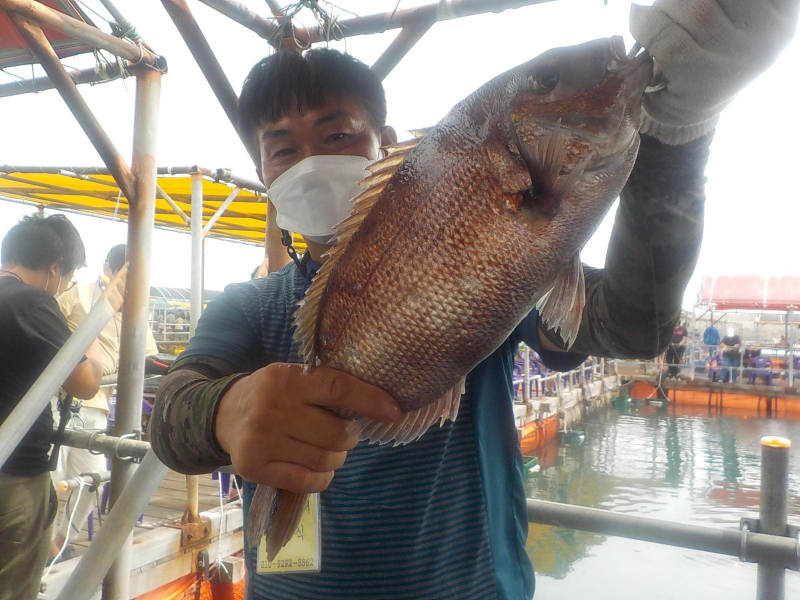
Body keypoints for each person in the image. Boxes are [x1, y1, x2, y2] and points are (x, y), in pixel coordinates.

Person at [149, 2, 799, 598]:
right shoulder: (250, 307)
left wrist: (677, 136)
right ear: (263, 173)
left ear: (385, 144)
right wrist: (224, 412)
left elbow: (632, 326)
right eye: (283, 150)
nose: (310, 160)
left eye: (337, 135)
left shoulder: (498, 273)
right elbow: (171, 413)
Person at [0, 214, 104, 600]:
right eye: (67, 279)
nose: (63, 289)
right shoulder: (30, 300)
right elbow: (85, 382)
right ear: (55, 268)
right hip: (14, 477)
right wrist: (91, 332)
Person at [48, 244, 158, 561]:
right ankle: (45, 547)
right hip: (57, 402)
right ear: (108, 269)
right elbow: (47, 323)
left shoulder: (136, 309)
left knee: (91, 480)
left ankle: (58, 542)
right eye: (123, 276)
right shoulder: (79, 293)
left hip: (96, 406)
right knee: (50, 480)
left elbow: (148, 357)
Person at [665, 312, 689, 378]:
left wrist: (678, 345)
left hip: (678, 347)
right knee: (668, 360)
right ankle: (671, 371)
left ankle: (675, 373)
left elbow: (684, 339)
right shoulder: (671, 329)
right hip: (670, 346)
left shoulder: (683, 329)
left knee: (676, 360)